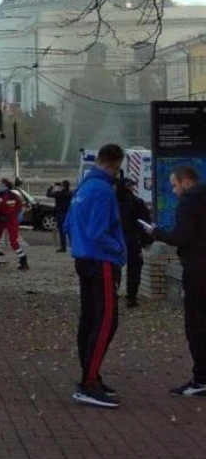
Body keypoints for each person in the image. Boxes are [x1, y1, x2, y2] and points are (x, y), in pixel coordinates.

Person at [64, 143, 127, 409]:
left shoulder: (83, 187)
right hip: (101, 261)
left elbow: (67, 224)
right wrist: (119, 250)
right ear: (115, 164)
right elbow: (98, 231)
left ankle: (90, 376)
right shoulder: (103, 190)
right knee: (105, 321)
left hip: (83, 259)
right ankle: (89, 383)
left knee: (90, 319)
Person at [151, 165, 206, 397]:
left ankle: (201, 379)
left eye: (174, 185)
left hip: (196, 269)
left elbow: (180, 236)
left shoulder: (189, 203)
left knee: (196, 325)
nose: (173, 190)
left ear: (185, 182)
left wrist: (156, 232)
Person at [116, 177, 152, 308]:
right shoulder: (136, 202)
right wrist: (147, 241)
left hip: (115, 240)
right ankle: (131, 297)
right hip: (132, 240)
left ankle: (113, 293)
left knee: (114, 268)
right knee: (134, 269)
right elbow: (144, 223)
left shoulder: (111, 202)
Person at [0, 178, 29, 270]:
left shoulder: (10, 195)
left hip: (8, 219)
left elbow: (19, 206)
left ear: (5, 185)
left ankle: (23, 260)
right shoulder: (4, 194)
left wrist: (18, 214)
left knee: (12, 242)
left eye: (1, 184)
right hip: (3, 219)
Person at [47, 180, 73, 252]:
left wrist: (52, 186)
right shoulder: (71, 193)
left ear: (63, 186)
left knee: (62, 231)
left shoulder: (59, 193)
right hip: (69, 213)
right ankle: (74, 246)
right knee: (70, 230)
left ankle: (63, 247)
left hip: (60, 213)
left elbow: (48, 194)